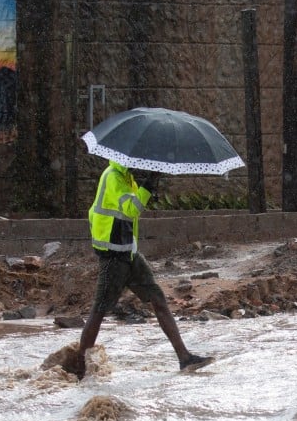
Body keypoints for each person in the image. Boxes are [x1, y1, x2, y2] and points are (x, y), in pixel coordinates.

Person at [68, 160, 213, 379]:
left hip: (129, 253)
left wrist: (148, 186)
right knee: (99, 311)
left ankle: (184, 358)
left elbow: (134, 210)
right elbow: (130, 210)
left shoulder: (127, 178)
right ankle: (79, 367)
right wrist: (148, 185)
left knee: (158, 300)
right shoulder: (113, 177)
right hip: (113, 256)